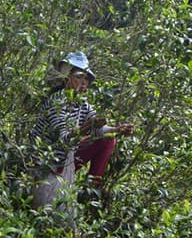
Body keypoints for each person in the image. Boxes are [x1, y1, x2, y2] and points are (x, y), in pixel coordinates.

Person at [29, 51, 133, 208]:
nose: (83, 82)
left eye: (86, 78)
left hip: (66, 161)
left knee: (109, 139)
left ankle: (91, 190)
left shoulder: (82, 105)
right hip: (48, 164)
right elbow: (64, 138)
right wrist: (85, 128)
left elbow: (99, 130)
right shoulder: (56, 103)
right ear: (67, 78)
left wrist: (118, 129)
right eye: (79, 77)